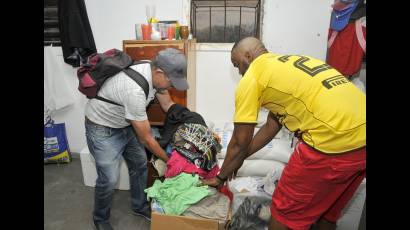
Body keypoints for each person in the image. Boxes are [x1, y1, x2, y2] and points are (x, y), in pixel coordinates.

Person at [202, 37, 366, 230]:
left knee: (283, 213)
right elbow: (272, 125)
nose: (239, 72)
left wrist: (221, 176)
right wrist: (239, 159)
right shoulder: (287, 64)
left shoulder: (253, 76)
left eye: (237, 65)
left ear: (248, 55)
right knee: (327, 212)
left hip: (331, 142)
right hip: (360, 143)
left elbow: (239, 142)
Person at [84, 48, 189, 230]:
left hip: (125, 124)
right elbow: (147, 139)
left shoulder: (155, 75)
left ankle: (139, 206)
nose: (171, 87)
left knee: (140, 164)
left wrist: (189, 118)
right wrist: (172, 161)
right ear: (159, 73)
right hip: (102, 128)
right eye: (171, 82)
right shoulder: (134, 90)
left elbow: (167, 104)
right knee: (109, 178)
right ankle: (100, 218)